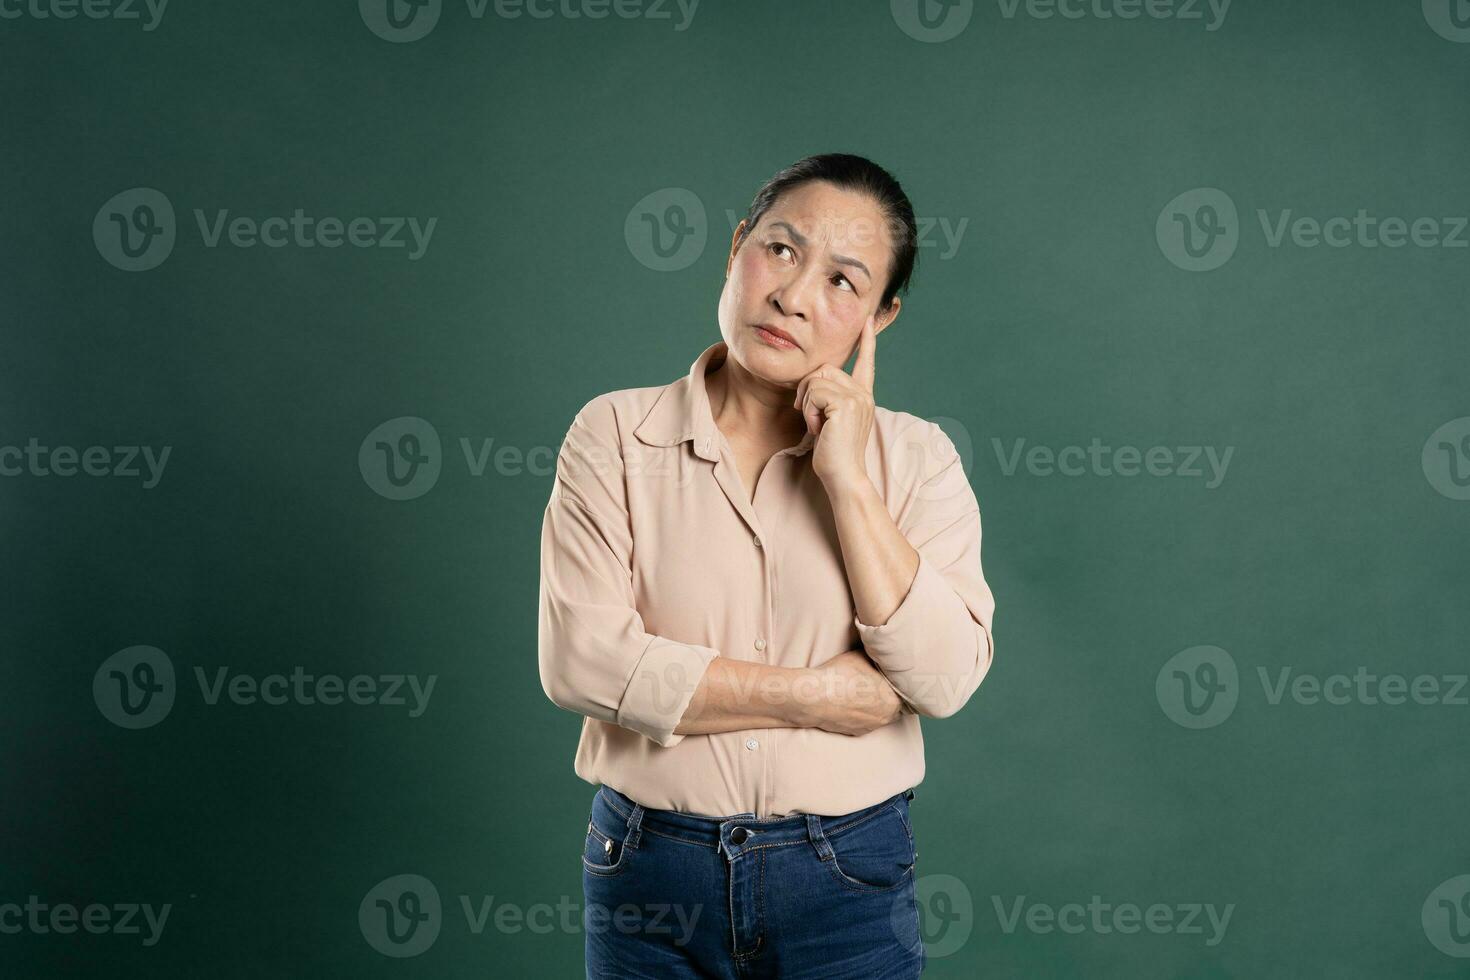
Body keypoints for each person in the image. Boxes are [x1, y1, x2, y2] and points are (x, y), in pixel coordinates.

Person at [538, 152, 998, 978]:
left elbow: (943, 678)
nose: (793, 294)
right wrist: (822, 696)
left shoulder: (918, 460)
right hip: (649, 871)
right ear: (736, 248)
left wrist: (848, 481)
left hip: (847, 875)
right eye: (780, 250)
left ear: (878, 319)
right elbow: (580, 661)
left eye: (842, 282)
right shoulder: (613, 434)